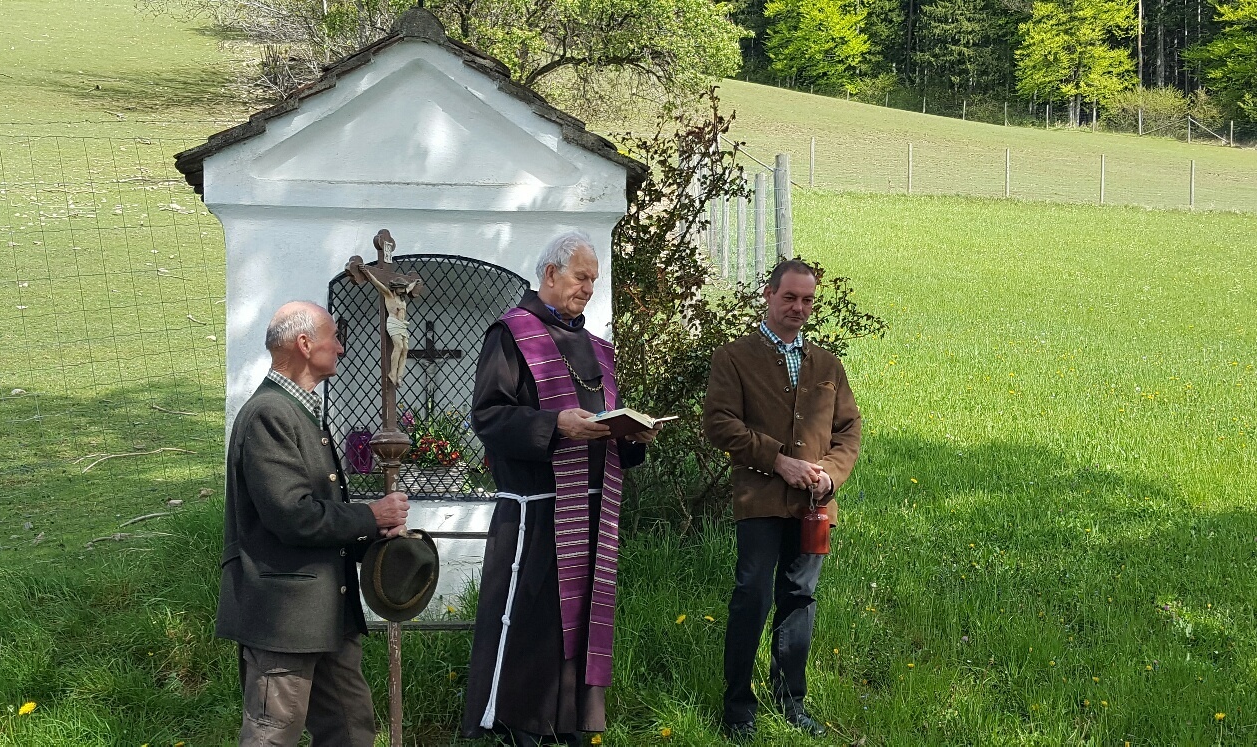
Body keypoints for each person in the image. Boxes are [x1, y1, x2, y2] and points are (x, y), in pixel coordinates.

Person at [461, 231, 659, 746]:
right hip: (537, 512)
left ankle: (571, 721)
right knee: (534, 620)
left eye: (594, 279)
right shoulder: (512, 334)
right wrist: (554, 427)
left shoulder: (598, 349)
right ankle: (521, 724)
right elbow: (488, 417)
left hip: (594, 511)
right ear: (550, 273)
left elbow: (605, 428)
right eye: (581, 277)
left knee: (583, 616)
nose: (589, 288)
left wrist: (631, 435)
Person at [217, 300, 412, 747]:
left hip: (327, 615)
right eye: (334, 338)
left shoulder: (300, 412)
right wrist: (370, 515)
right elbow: (291, 515)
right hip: (284, 620)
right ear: (305, 344)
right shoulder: (270, 413)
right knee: (272, 735)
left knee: (351, 730)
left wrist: (374, 534)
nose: (341, 348)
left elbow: (318, 513)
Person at [703, 260, 863, 743]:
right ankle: (738, 709)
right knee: (752, 595)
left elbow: (848, 430)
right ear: (769, 295)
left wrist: (829, 475)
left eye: (807, 300)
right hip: (760, 498)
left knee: (799, 598)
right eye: (790, 297)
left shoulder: (827, 364)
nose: (799, 307)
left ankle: (792, 702)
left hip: (815, 506)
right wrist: (778, 461)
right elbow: (719, 423)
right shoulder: (734, 357)